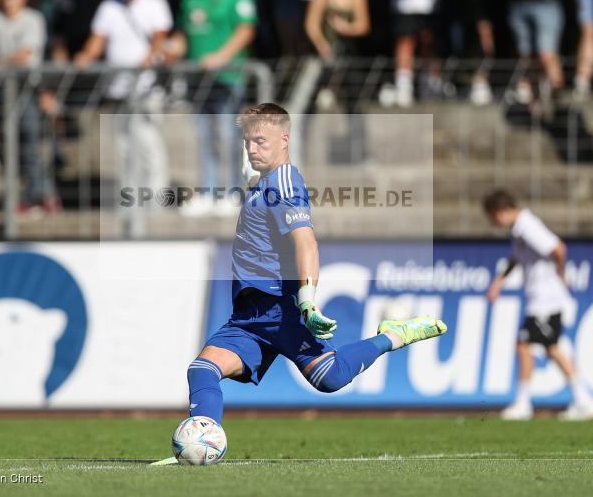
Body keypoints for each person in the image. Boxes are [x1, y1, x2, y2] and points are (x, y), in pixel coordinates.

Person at [177, 103, 447, 451]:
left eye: (260, 141)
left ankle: (393, 336)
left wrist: (307, 299)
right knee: (202, 369)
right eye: (247, 142)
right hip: (248, 317)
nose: (252, 148)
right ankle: (204, 440)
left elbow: (306, 242)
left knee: (330, 378)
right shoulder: (265, 182)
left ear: (284, 139)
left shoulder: (285, 184)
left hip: (281, 310)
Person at [482, 189, 593, 421]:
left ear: (501, 211)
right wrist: (499, 281)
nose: (493, 223)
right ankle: (584, 399)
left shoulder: (527, 226)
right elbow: (516, 258)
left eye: (492, 217)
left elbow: (559, 248)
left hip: (547, 299)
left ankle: (524, 403)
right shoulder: (519, 229)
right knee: (551, 348)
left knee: (524, 345)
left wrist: (560, 273)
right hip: (540, 299)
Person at [170, 0, 257, 217]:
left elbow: (246, 30)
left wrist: (222, 57)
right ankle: (208, 191)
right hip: (197, 80)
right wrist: (167, 50)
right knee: (204, 137)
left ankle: (234, 191)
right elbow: (183, 36)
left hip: (228, 78)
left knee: (229, 136)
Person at [0, 0, 60, 214]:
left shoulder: (33, 19)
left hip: (28, 88)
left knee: (30, 143)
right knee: (15, 145)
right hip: (6, 88)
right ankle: (36, 195)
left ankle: (42, 195)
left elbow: (24, 56)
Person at [74, 0, 172, 98]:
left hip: (146, 85)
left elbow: (160, 35)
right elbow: (97, 40)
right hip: (115, 85)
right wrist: (86, 55)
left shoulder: (156, 3)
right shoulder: (108, 7)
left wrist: (151, 56)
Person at [304, 0, 369, 114]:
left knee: (353, 99)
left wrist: (346, 28)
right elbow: (311, 24)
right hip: (325, 51)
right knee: (312, 96)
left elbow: (363, 26)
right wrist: (322, 45)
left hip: (349, 52)